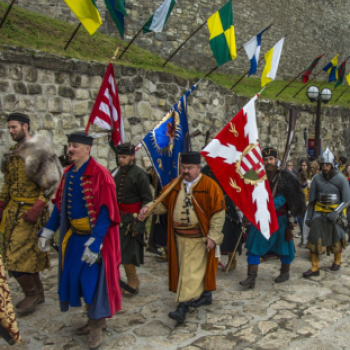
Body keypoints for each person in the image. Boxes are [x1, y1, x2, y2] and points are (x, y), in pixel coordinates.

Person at [38, 132, 122, 349]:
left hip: (96, 241)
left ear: (87, 149)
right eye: (69, 146)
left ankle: (95, 325)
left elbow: (106, 212)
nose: (70, 149)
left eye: (75, 146)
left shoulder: (101, 175)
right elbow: (59, 206)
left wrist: (96, 243)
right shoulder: (67, 174)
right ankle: (95, 318)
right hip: (75, 238)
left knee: (92, 283)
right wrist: (48, 230)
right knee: (76, 279)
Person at [138, 151, 225, 323]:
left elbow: (218, 213)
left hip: (199, 238)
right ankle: (205, 295)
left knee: (190, 272)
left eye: (190, 168)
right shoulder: (174, 185)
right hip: (178, 238)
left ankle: (183, 307)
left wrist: (213, 236)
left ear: (198, 168)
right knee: (186, 270)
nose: (186, 171)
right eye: (183, 167)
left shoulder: (210, 186)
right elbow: (162, 204)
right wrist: (148, 208)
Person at [0, 112, 62, 314]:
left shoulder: (40, 151)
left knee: (15, 256)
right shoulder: (11, 153)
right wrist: (1, 204)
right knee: (22, 255)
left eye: (14, 127)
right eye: (9, 128)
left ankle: (31, 294)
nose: (10, 131)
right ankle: (38, 291)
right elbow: (8, 183)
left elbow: (53, 183)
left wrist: (38, 207)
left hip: (30, 212)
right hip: (12, 212)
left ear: (25, 126)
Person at [240, 147, 305, 288]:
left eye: (271, 159)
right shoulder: (257, 176)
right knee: (254, 247)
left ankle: (285, 272)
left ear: (276, 160)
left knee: (285, 248)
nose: (268, 162)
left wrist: (268, 206)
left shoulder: (285, 177)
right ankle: (251, 279)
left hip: (279, 219)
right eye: (266, 159)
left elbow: (283, 198)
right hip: (261, 219)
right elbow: (249, 195)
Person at [303, 148, 350, 277]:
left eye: (327, 165)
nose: (325, 167)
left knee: (336, 238)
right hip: (318, 211)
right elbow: (312, 200)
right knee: (314, 239)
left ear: (332, 164)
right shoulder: (317, 179)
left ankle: (337, 260)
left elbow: (347, 200)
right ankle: (314, 267)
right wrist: (309, 216)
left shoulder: (341, 179)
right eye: (323, 165)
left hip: (334, 213)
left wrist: (336, 212)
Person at [114, 143, 152, 295]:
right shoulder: (115, 172)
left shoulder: (140, 174)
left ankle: (133, 280)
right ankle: (114, 281)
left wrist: (142, 215)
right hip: (116, 218)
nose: (120, 160)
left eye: (123, 157)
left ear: (132, 157)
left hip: (132, 220)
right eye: (119, 157)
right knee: (115, 252)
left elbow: (147, 199)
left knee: (127, 253)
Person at [202, 164, 242, 271]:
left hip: (227, 207)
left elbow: (235, 187)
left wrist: (224, 199)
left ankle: (232, 260)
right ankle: (211, 261)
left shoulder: (227, 167)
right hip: (208, 207)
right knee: (209, 235)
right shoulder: (205, 169)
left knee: (229, 236)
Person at [297, 171, 310, 247]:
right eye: (302, 181)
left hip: (307, 207)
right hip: (300, 207)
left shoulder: (309, 185)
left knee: (306, 225)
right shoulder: (298, 186)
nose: (303, 183)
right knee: (301, 223)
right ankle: (303, 239)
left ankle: (306, 240)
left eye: (304, 181)